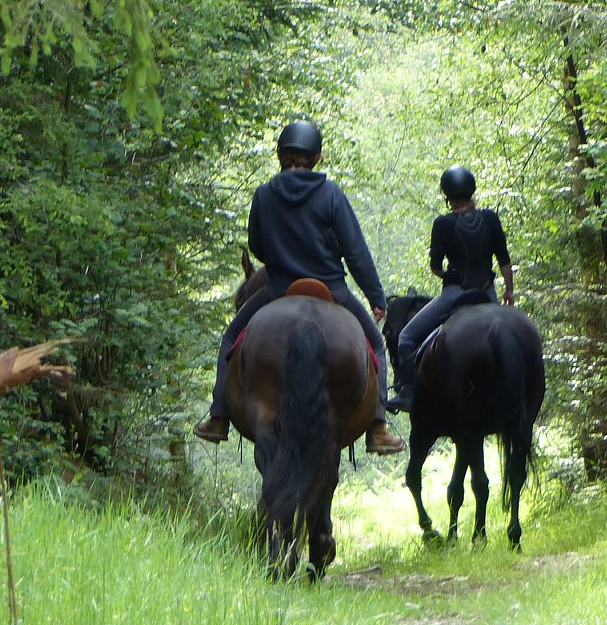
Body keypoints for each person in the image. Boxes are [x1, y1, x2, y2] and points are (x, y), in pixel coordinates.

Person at [195, 120, 405, 455]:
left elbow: (258, 247)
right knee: (377, 346)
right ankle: (378, 427)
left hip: (278, 288)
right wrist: (375, 297)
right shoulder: (331, 194)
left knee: (230, 339)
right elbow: (355, 252)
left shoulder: (265, 194)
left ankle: (218, 417)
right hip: (333, 289)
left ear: (281, 156)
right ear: (317, 157)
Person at [389, 165, 514, 413]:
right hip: (487, 294)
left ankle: (408, 393)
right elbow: (504, 261)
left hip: (454, 295)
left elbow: (435, 267)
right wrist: (509, 290)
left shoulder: (442, 224)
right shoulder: (490, 218)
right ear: (472, 192)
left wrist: (449, 275)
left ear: (448, 196)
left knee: (406, 337)